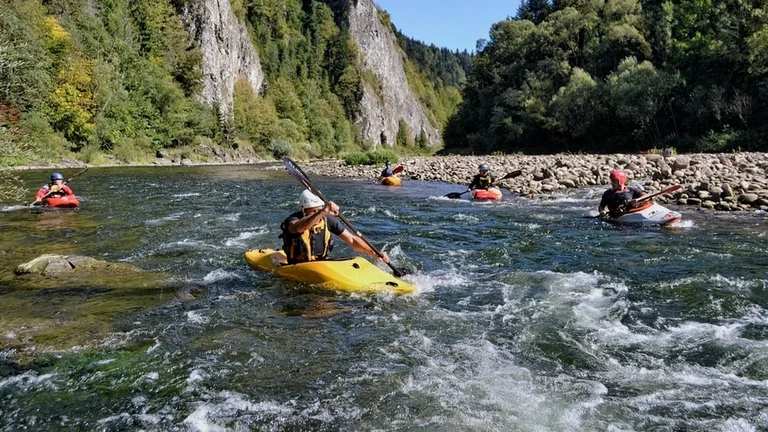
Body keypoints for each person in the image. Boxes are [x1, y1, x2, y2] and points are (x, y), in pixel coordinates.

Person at [279, 189, 390, 265]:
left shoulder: (329, 221)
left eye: (319, 209)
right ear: (303, 210)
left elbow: (352, 240)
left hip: (322, 263)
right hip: (297, 265)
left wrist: (375, 253)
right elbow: (298, 228)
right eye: (313, 211)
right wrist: (323, 212)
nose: (317, 213)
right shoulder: (293, 220)